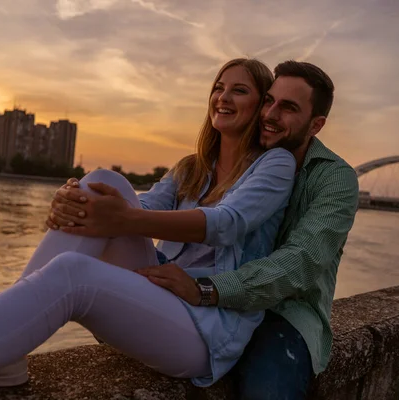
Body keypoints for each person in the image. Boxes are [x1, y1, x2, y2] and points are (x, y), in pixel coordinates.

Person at [0, 58, 299, 400]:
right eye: (219, 87)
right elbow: (136, 206)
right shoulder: (190, 168)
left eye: (239, 90)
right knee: (102, 182)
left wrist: (125, 219)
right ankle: (4, 355)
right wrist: (77, 200)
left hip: (205, 331)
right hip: (163, 293)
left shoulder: (273, 165)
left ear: (260, 105)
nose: (223, 97)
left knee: (73, 275)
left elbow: (226, 224)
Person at [53, 61, 360, 400]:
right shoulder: (207, 165)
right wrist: (82, 203)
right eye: (269, 101)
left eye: (288, 108)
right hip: (210, 295)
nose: (270, 114)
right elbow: (148, 206)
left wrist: (206, 289)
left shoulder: (335, 179)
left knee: (268, 387)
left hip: (283, 311)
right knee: (101, 183)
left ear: (316, 125)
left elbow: (297, 266)